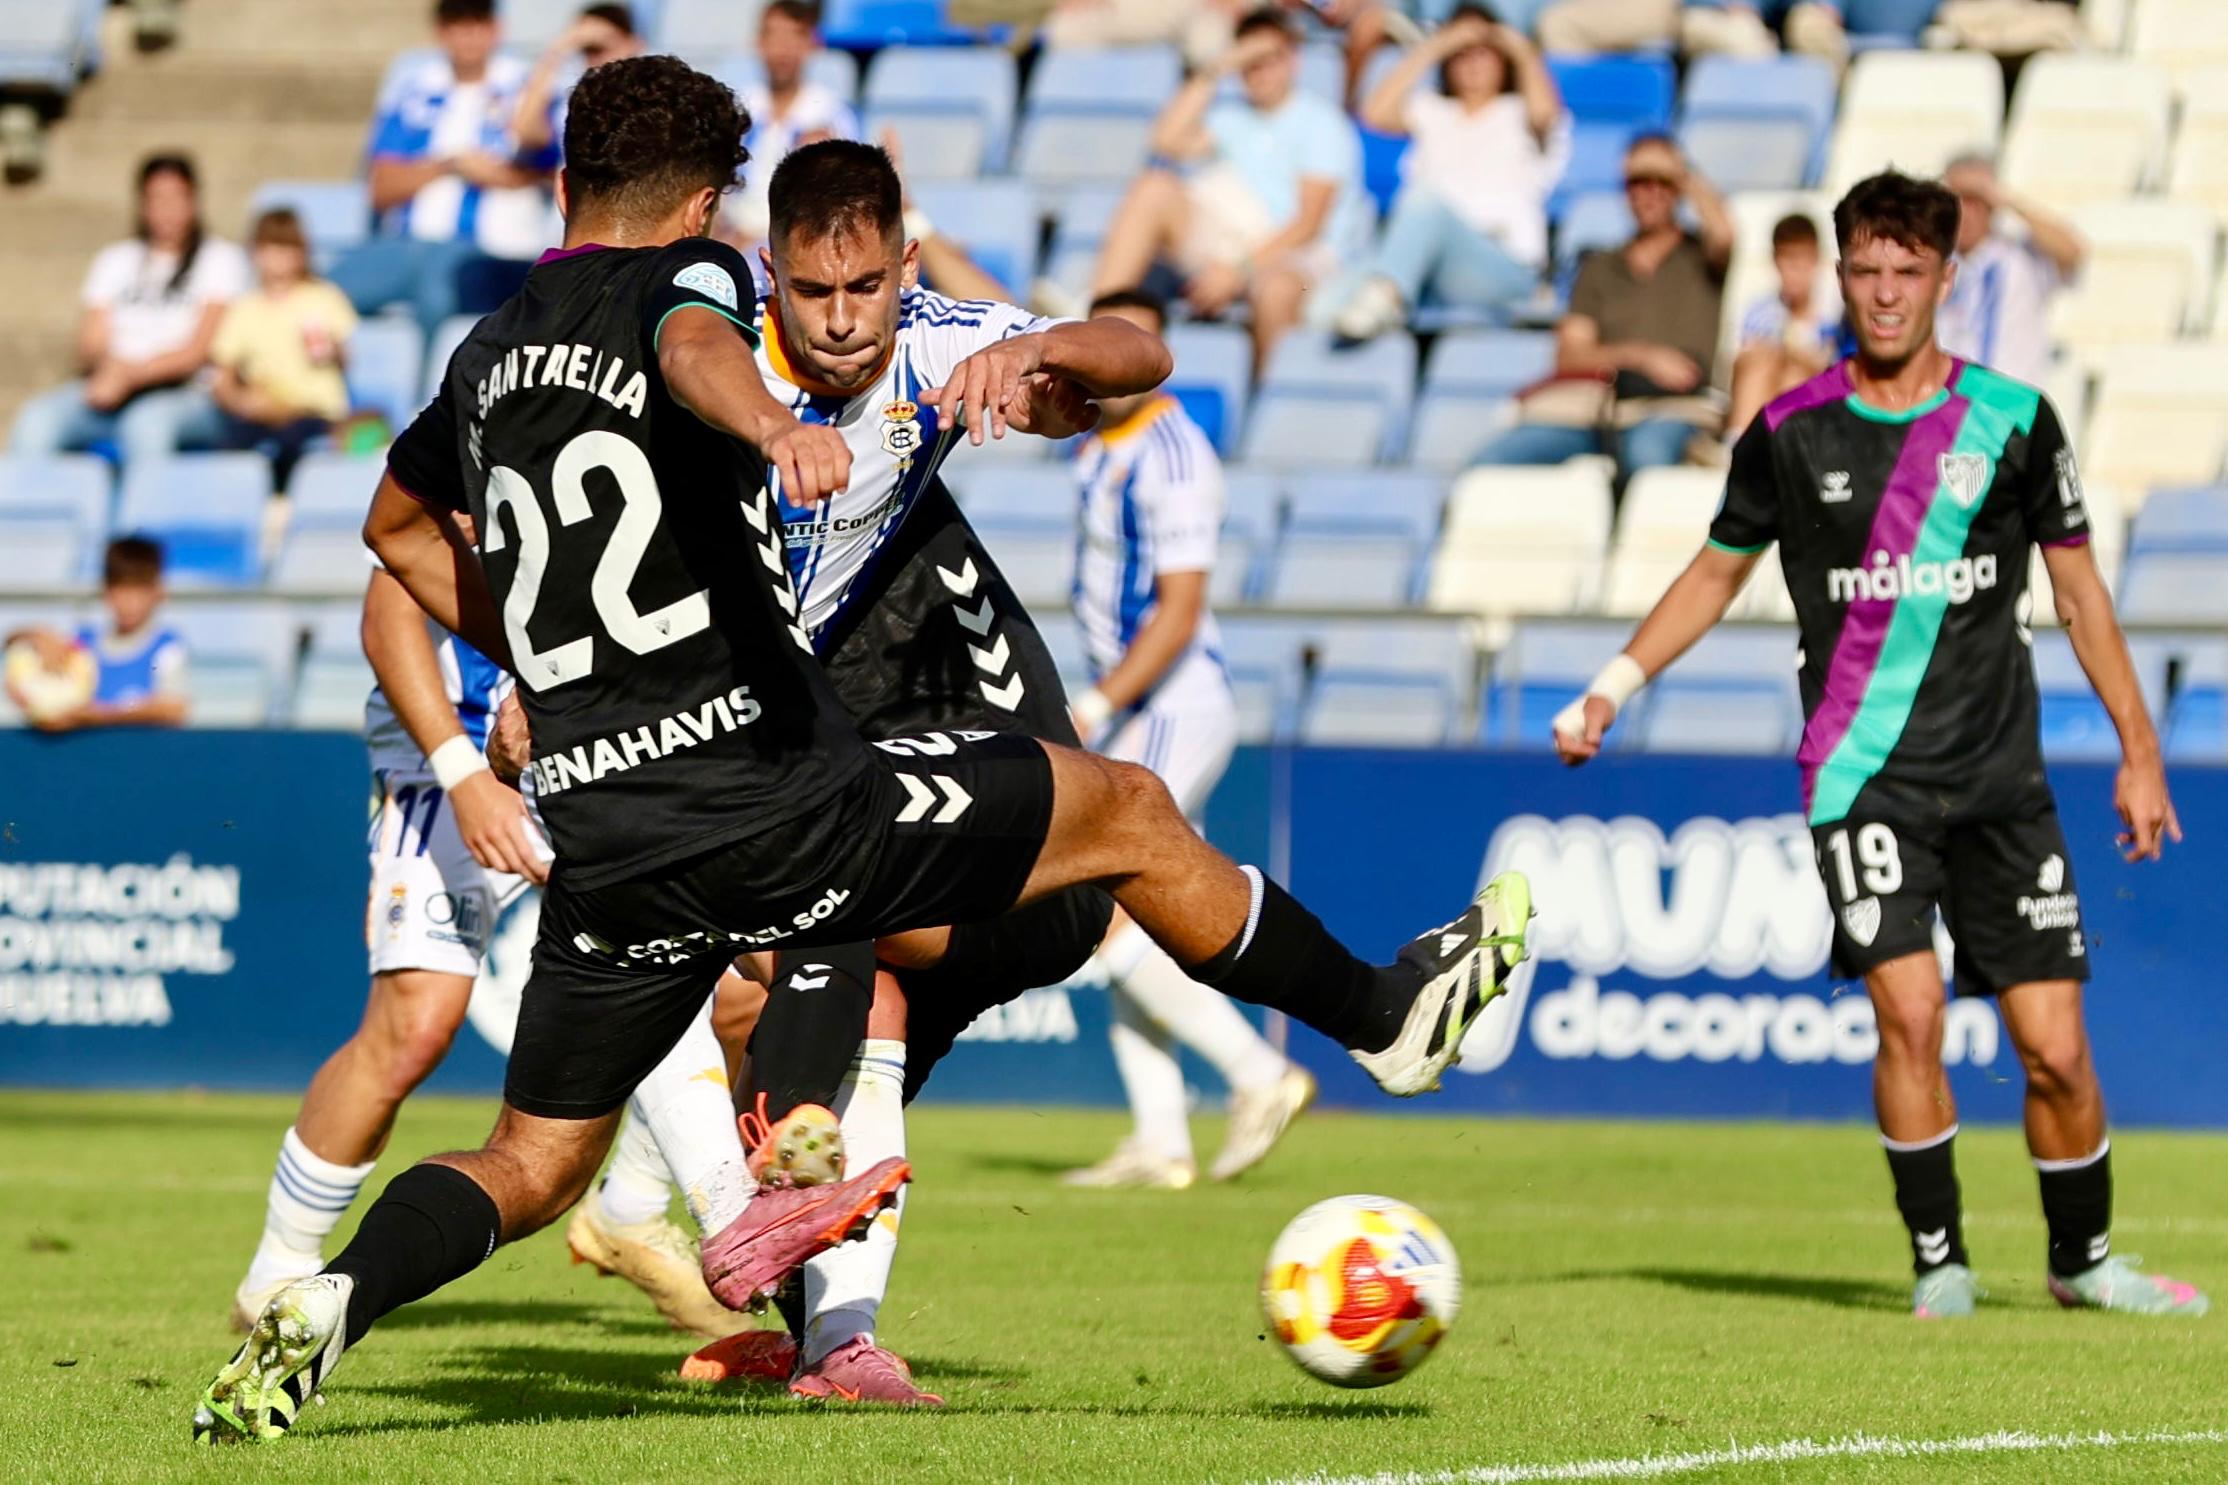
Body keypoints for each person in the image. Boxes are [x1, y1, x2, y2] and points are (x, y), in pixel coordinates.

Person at [193, 56, 1532, 1443]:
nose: (833, 316)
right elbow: (692, 349)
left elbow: (394, 533)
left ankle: (330, 1296)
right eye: (797, 281)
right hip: (761, 782)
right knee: (1122, 813)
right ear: (717, 218)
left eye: (862, 288)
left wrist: (549, 656)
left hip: (605, 825)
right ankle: (1379, 1021)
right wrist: (774, 425)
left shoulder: (485, 356)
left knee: (530, 1161)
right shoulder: (696, 292)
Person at [1553, 169, 2208, 1322]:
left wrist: (2137, 748)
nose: (1885, 292)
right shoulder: (1789, 431)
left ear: (1947, 277)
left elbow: (2077, 593)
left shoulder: (2010, 420)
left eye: (1908, 270)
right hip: (1860, 781)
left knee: (2053, 1048)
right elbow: (1713, 573)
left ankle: (2082, 1261)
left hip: (2000, 782)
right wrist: (1613, 684)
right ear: (1840, 276)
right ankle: (1937, 1261)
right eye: (1863, 270)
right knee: (1907, 1015)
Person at [1061, 288, 1315, 1190]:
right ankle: (1162, 1138)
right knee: (1139, 909)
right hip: (1146, 704)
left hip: (1169, 700)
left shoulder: (1171, 453)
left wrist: (1097, 703)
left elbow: (1179, 610)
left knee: (1102, 901)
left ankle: (1258, 1074)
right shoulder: (1099, 436)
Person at [1091, 7, 1372, 375]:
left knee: (1276, 288)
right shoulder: (1231, 118)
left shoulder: (1323, 123)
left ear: (1294, 61)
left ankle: (1271, 393)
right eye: (1251, 61)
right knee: (1153, 189)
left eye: (1271, 58)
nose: (1260, 70)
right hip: (1239, 240)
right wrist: (1218, 68)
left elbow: (1308, 224)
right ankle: (1091, 325)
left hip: (1305, 254)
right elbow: (1165, 142)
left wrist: (1240, 269)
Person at [1473, 133, 1731, 481]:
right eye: (1638, 182)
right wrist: (1642, 356)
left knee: (1646, 456)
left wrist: (1681, 170)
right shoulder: (1599, 266)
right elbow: (1570, 354)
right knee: (1492, 461)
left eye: (1662, 181)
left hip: (1676, 407)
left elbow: (1724, 231)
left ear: (1679, 186)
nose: (1650, 192)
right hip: (1594, 410)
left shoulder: (1702, 256)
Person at [329, 0, 559, 340]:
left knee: (439, 289)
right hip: (409, 246)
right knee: (320, 296)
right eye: (457, 25)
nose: (468, 36)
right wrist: (452, 166)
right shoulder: (416, 91)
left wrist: (557, 54)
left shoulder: (525, 88)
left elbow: (546, 163)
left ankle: (429, 375)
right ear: (441, 32)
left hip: (495, 252)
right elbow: (381, 188)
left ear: (496, 29)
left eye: (477, 23)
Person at [1334, 6, 1568, 340]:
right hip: (1430, 266)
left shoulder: (1520, 112)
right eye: (1461, 54)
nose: (1472, 64)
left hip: (1502, 261)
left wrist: (1516, 45)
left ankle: (1385, 297)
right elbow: (1375, 113)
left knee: (1424, 201)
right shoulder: (1431, 108)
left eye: (1484, 53)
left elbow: (1547, 116)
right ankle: (1384, 296)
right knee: (1321, 305)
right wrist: (1436, 46)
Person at [7, 154, 245, 466]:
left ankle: (149, 500)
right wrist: (113, 372)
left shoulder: (221, 258)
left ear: (194, 201)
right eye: (157, 199)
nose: (167, 210)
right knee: (37, 421)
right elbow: (91, 342)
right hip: (112, 390)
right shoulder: (115, 259)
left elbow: (198, 351)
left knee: (146, 426)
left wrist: (132, 376)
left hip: (187, 396)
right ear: (142, 205)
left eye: (176, 198)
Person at [209, 209, 359, 490]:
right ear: (255, 253)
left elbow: (346, 357)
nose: (278, 257)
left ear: (302, 253)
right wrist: (242, 403)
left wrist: (330, 349)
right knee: (231, 447)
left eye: (286, 247)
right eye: (270, 247)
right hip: (263, 412)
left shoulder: (324, 297)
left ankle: (286, 501)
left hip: (315, 411)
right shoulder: (244, 308)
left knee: (292, 442)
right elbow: (223, 374)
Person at [718, 0, 861, 255]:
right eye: (774, 36)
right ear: (759, 43)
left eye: (794, 37)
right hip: (734, 240)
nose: (783, 49)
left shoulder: (831, 115)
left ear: (811, 45)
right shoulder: (738, 110)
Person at [3, 537, 189, 731]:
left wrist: (101, 715)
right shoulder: (84, 643)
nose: (129, 601)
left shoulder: (166, 647)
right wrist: (35, 637)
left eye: (139, 591)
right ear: (106, 591)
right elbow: (11, 642)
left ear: (159, 592)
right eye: (120, 589)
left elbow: (173, 709)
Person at [1935, 152, 2084, 389]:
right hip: (1951, 399)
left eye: (1974, 200)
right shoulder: (1935, 261)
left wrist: (2007, 200)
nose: (1964, 211)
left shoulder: (2021, 255)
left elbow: (2072, 251)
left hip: (2011, 398)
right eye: (1955, 199)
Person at [1725, 213, 1843, 440]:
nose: (1794, 272)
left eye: (1802, 261)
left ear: (1815, 260)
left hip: (1813, 402)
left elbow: (1832, 370)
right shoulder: (1758, 312)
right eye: (1788, 260)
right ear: (1776, 262)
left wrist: (1791, 352)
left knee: (1795, 373)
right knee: (1763, 364)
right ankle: (1738, 444)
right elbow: (1740, 363)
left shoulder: (1832, 314)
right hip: (1764, 389)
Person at [510, 3, 644, 159]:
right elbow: (526, 132)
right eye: (586, 50)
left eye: (599, 49)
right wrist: (558, 50)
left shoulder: (652, 101)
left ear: (633, 43)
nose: (594, 61)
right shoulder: (574, 107)